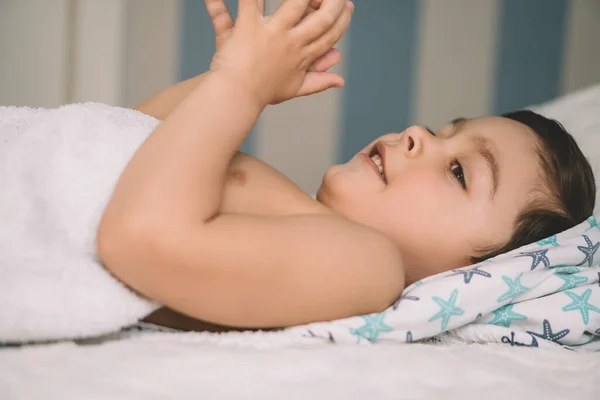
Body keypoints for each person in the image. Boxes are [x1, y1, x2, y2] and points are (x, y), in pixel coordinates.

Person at [97, 0, 596, 332]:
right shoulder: (297, 221)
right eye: (443, 131)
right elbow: (118, 139)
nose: (418, 133)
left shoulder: (369, 270)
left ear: (481, 272)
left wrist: (239, 88)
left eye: (460, 171)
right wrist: (221, 80)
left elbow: (136, 237)